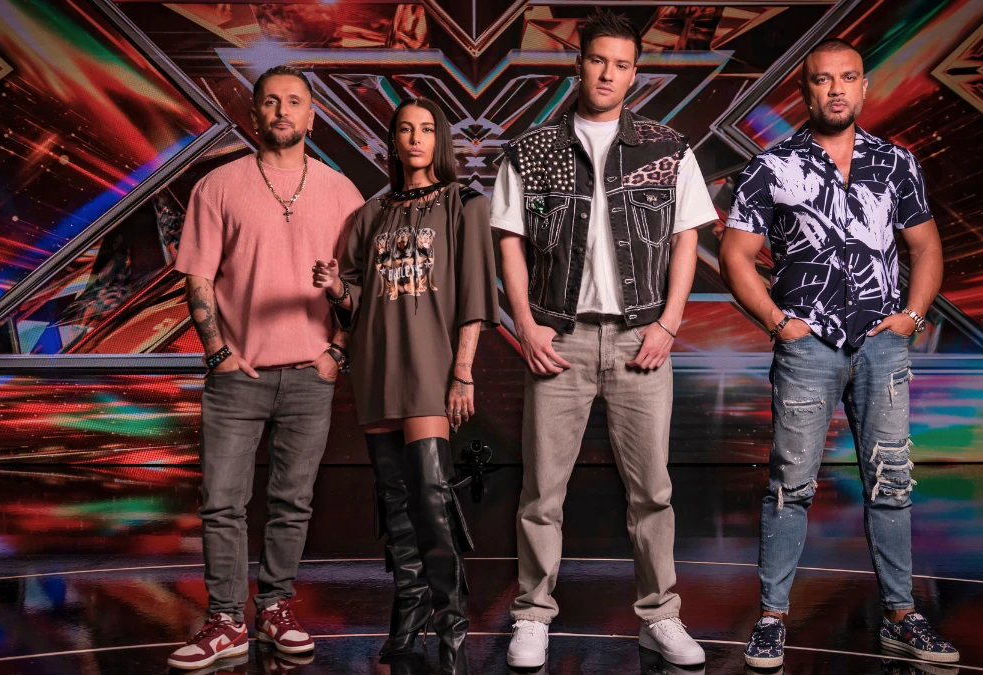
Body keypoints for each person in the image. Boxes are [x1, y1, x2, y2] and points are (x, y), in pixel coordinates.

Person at [718, 38, 960, 668]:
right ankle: (771, 618)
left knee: (891, 482)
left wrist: (911, 318)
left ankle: (902, 616)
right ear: (804, 90)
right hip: (808, 349)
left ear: (864, 86)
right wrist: (779, 323)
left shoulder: (896, 163)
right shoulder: (773, 166)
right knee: (791, 484)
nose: (836, 90)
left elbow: (925, 247)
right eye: (823, 80)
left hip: (882, 346)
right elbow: (734, 255)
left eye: (847, 78)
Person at [491, 10, 719, 669]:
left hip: (639, 341)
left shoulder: (667, 148)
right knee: (542, 492)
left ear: (634, 73)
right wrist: (524, 322)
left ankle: (660, 615)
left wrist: (669, 322)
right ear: (579, 64)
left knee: (652, 491)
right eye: (597, 60)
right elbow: (509, 240)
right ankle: (533, 614)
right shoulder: (532, 149)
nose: (608, 74)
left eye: (621, 64)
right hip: (558, 340)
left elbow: (686, 238)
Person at [167, 65, 364, 670]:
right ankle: (226, 620)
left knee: (292, 502)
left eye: (294, 102)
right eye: (271, 102)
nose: (282, 111)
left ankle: (275, 607)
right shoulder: (217, 186)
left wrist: (336, 353)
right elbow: (199, 277)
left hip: (310, 375)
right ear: (254, 116)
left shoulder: (342, 192)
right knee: (222, 503)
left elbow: (361, 288)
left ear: (312, 116)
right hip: (237, 376)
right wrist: (218, 352)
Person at [313, 97, 499, 675]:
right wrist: (335, 288)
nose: (415, 138)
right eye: (404, 129)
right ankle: (409, 608)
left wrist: (462, 371)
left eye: (426, 129)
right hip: (376, 365)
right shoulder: (369, 214)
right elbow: (355, 301)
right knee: (394, 502)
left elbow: (474, 294)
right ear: (392, 141)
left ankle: (452, 623)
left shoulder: (465, 204)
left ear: (438, 139)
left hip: (430, 366)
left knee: (432, 499)